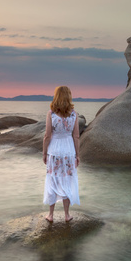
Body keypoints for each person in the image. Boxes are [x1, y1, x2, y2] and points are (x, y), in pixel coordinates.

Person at [43, 85, 80, 222]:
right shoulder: (74, 114)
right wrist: (78, 155)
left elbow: (47, 135)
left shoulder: (51, 114)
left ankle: (51, 215)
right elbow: (76, 136)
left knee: (52, 180)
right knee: (67, 180)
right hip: (69, 150)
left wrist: (44, 153)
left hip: (54, 150)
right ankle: (66, 215)